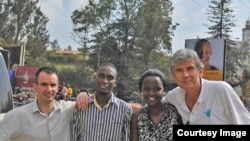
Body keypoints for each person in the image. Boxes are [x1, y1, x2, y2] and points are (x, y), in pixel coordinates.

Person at [163, 48, 250, 124]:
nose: (185, 75)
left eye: (190, 69)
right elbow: (153, 107)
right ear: (173, 76)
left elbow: (244, 122)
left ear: (200, 71)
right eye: (179, 70)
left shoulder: (221, 90)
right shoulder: (174, 96)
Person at [0, 67, 88, 141]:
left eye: (53, 85)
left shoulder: (68, 109)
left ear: (58, 88)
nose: (49, 89)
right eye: (44, 84)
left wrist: (84, 93)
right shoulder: (17, 116)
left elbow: (96, 99)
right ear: (35, 87)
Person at [70, 62, 133, 141]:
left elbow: (126, 138)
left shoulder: (125, 109)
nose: (105, 81)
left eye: (110, 78)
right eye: (101, 76)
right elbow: (74, 137)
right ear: (95, 78)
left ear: (115, 83)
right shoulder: (81, 106)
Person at [130, 69, 182, 141]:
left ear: (164, 90)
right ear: (141, 91)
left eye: (157, 89)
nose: (151, 93)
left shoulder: (175, 113)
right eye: (147, 89)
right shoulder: (137, 116)